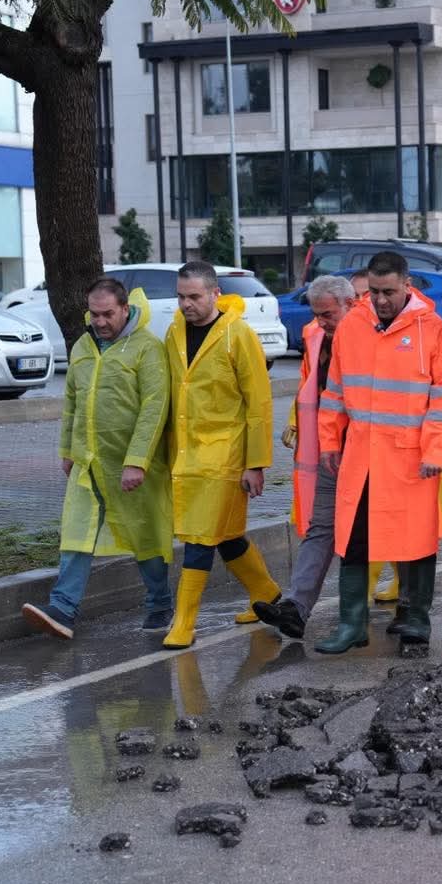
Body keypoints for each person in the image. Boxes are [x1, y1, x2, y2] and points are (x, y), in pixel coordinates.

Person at [316, 251, 442, 654]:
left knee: (416, 540)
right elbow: (335, 391)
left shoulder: (431, 330)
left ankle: (416, 619)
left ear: (407, 286)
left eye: (388, 292)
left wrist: (435, 451)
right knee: (353, 539)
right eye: (374, 291)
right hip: (361, 455)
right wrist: (330, 440)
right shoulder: (353, 327)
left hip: (411, 458)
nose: (380, 300)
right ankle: (351, 624)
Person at [23, 279, 173, 639]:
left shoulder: (147, 348)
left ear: (125, 309)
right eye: (94, 314)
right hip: (88, 461)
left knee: (144, 533)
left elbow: (155, 407)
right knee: (76, 531)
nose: (101, 321)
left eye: (108, 314)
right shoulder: (83, 347)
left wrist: (137, 460)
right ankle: (63, 608)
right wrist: (67, 451)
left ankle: (160, 603)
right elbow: (72, 402)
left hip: (132, 464)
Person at [160, 261, 281, 649]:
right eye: (181, 296)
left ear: (215, 294)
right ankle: (265, 591)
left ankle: (184, 623)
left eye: (194, 296)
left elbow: (258, 402)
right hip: (188, 455)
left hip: (226, 455)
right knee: (226, 535)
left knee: (200, 537)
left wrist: (256, 463)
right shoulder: (174, 333)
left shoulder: (237, 334)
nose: (186, 305)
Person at [253, 275, 355, 640]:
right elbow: (311, 388)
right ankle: (295, 608)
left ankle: (406, 613)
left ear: (350, 304)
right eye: (318, 314)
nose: (321, 321)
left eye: (328, 314)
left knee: (369, 535)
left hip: (368, 451)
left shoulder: (367, 336)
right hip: (331, 450)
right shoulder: (316, 336)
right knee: (321, 528)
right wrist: (299, 423)